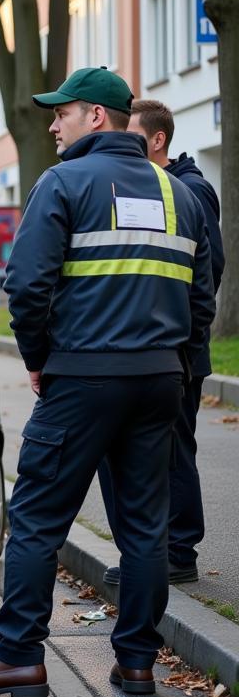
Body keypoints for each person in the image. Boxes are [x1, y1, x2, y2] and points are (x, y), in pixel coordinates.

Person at [0, 67, 215, 697]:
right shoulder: (180, 196)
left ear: (96, 117)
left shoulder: (63, 182)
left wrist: (37, 357)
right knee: (145, 527)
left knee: (36, 517)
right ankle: (138, 662)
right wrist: (177, 362)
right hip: (157, 382)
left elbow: (27, 286)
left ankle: (17, 658)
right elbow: (202, 299)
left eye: (61, 113)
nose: (53, 124)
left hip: (83, 377)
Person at [98, 100, 225, 586]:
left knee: (173, 451)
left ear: (157, 140)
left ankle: (179, 551)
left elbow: (206, 272)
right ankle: (151, 552)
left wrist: (181, 338)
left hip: (177, 351)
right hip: (150, 347)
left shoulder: (190, 190)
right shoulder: (144, 186)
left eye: (131, 136)